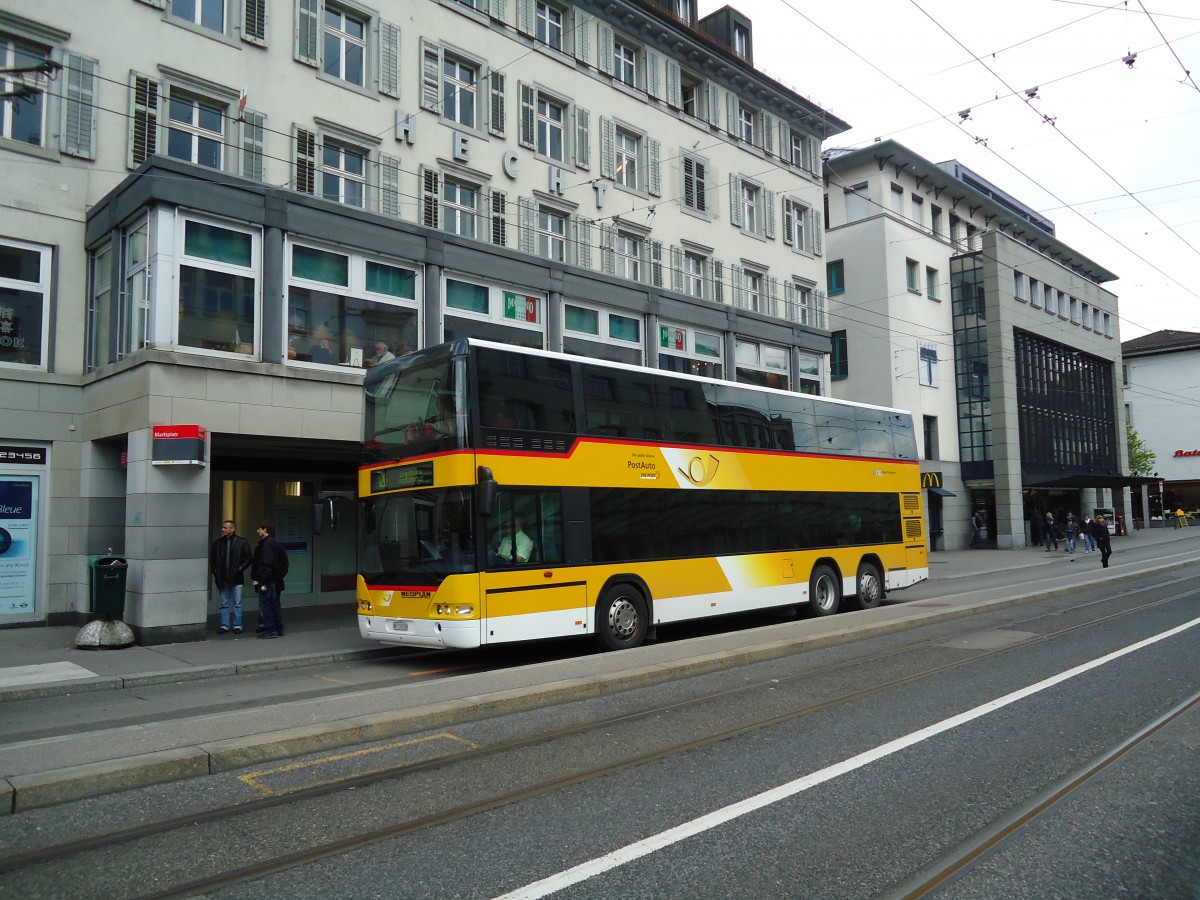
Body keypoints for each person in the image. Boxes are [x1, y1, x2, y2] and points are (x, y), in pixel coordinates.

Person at [209, 519, 251, 634]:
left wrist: (239, 569)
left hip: (236, 578)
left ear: (232, 529)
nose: (222, 529)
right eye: (223, 527)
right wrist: (215, 572)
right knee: (224, 603)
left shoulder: (241, 542)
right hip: (222, 578)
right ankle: (224, 625)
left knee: (237, 603)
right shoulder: (217, 543)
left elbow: (248, 558)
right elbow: (213, 560)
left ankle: (237, 625)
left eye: (225, 527)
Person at [251, 519, 286, 639]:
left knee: (266, 605)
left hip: (266, 581)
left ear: (265, 529)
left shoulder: (266, 545)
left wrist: (261, 579)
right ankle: (278, 629)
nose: (257, 531)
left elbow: (267, 564)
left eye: (259, 529)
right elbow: (282, 563)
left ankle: (271, 630)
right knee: (274, 605)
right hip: (272, 580)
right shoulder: (274, 543)